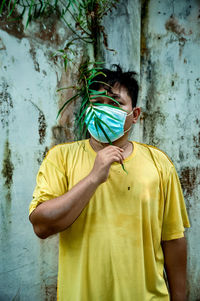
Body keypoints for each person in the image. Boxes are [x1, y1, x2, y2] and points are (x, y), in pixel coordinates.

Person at [29, 65, 190, 301]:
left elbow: (173, 239)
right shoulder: (60, 158)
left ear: (135, 115)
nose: (104, 109)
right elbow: (41, 226)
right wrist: (94, 178)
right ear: (86, 110)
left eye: (115, 103)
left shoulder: (159, 164)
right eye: (97, 102)